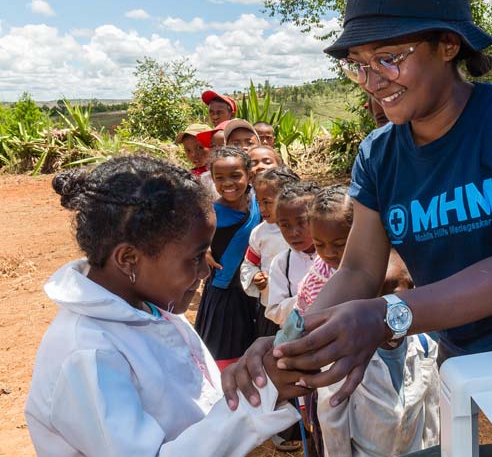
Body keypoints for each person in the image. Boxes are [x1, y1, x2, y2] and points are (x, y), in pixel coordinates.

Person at [221, 0, 492, 412]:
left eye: (388, 59)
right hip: (467, 357)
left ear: (448, 44)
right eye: (359, 64)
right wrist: (292, 340)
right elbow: (359, 271)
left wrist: (386, 316)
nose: (372, 82)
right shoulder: (379, 154)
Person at [25, 156, 308, 457]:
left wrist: (253, 382)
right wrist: (258, 401)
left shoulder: (149, 305)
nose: (205, 272)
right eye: (196, 257)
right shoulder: (89, 354)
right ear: (128, 259)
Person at [317, 249, 438, 457]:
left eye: (391, 294)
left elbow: (432, 415)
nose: (378, 307)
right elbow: (333, 425)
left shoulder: (426, 346)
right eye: (372, 295)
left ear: (412, 291)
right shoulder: (341, 356)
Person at [194, 147, 262, 370]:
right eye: (220, 178)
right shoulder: (210, 213)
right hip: (224, 297)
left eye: (235, 175)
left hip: (257, 291)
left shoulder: (260, 204)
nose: (228, 183)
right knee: (225, 359)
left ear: (249, 175)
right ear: (212, 180)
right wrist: (202, 249)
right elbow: (186, 240)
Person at [240, 167, 299, 337]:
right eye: (259, 202)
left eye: (267, 202)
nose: (262, 208)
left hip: (302, 307)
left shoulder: (304, 230)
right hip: (271, 309)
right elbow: (249, 264)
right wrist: (255, 276)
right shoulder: (259, 233)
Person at [266, 181, 319, 327]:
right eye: (285, 225)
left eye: (302, 222)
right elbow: (274, 311)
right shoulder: (282, 263)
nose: (294, 232)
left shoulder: (335, 256)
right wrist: (307, 297)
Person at [295, 185, 353, 315]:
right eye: (319, 244)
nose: (328, 253)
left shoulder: (377, 271)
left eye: (340, 244)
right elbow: (302, 317)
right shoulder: (313, 281)